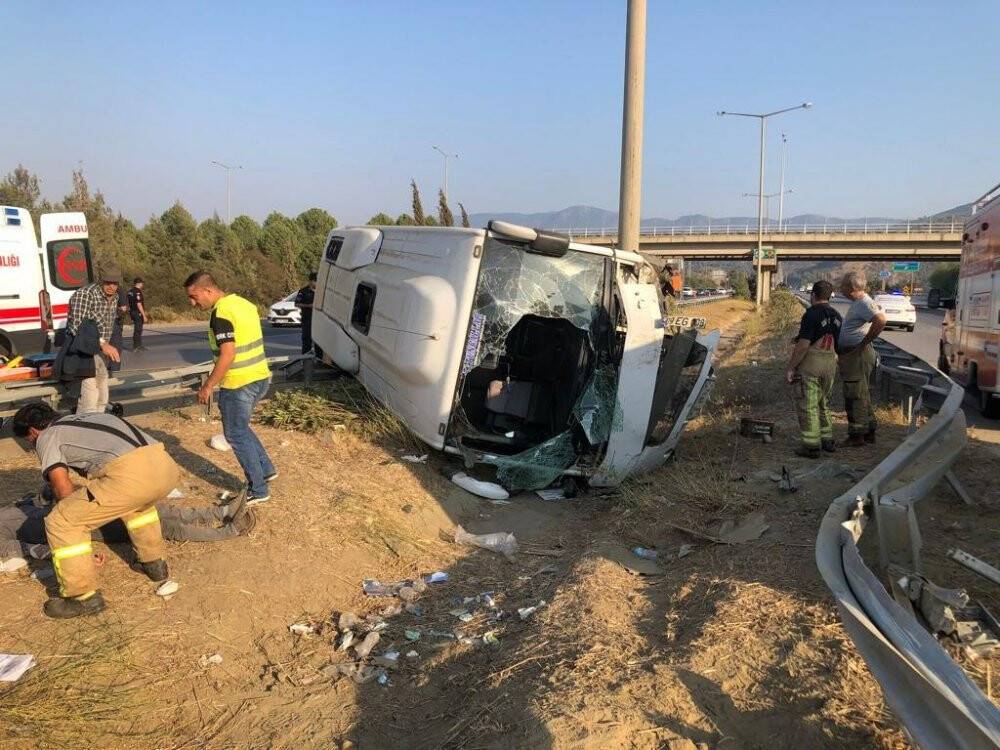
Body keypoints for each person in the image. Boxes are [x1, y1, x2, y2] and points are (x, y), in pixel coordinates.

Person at [11, 402, 179, 618]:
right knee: (135, 504)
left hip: (131, 475)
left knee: (62, 520)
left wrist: (73, 520)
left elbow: (62, 487)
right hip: (165, 467)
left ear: (33, 431)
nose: (32, 445)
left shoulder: (47, 436)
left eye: (29, 441)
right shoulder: (89, 417)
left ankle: (82, 597)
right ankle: (153, 563)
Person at [0, 488, 254, 573]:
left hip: (83, 508)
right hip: (88, 527)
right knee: (163, 526)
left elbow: (36, 502)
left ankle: (220, 513)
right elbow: (26, 549)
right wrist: (79, 557)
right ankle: (228, 531)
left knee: (156, 509)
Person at [184, 271, 277, 505]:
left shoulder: (221, 314)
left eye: (194, 297)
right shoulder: (243, 304)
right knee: (241, 428)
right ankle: (266, 469)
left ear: (208, 290)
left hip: (238, 383)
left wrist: (208, 385)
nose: (193, 303)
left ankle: (258, 489)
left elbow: (228, 354)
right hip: (260, 377)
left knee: (235, 433)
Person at [786, 280, 843, 458]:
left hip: (811, 366)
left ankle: (811, 446)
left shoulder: (811, 314)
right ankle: (827, 440)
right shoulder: (837, 316)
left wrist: (791, 367)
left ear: (813, 295)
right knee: (823, 404)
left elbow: (804, 345)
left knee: (808, 406)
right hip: (829, 365)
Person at [837, 271, 886, 447]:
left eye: (843, 285)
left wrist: (862, 344)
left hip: (857, 355)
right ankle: (869, 431)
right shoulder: (859, 303)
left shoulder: (865, 303)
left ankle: (857, 435)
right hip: (855, 354)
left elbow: (880, 320)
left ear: (852, 287)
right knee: (862, 393)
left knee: (854, 394)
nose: (840, 289)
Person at [65, 266, 122, 413]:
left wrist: (106, 346)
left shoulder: (115, 297)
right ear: (100, 280)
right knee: (89, 399)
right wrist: (103, 344)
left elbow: (107, 325)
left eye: (115, 283)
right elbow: (76, 327)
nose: (111, 287)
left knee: (102, 398)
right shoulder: (85, 294)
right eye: (108, 282)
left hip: (101, 353)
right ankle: (84, 425)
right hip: (85, 352)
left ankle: (98, 424)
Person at [294, 272, 323, 357]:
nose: (317, 283)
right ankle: (306, 359)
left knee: (319, 341)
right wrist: (308, 306)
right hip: (307, 320)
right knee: (307, 340)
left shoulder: (321, 291)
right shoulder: (303, 291)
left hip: (319, 320)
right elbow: (296, 304)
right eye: (315, 281)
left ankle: (319, 359)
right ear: (310, 281)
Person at [127, 277, 149, 351]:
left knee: (137, 329)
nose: (142, 284)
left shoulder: (130, 291)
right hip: (137, 312)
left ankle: (138, 345)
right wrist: (144, 315)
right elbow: (139, 304)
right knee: (138, 330)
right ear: (139, 283)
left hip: (132, 312)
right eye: (142, 283)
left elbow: (128, 303)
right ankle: (136, 346)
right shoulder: (137, 292)